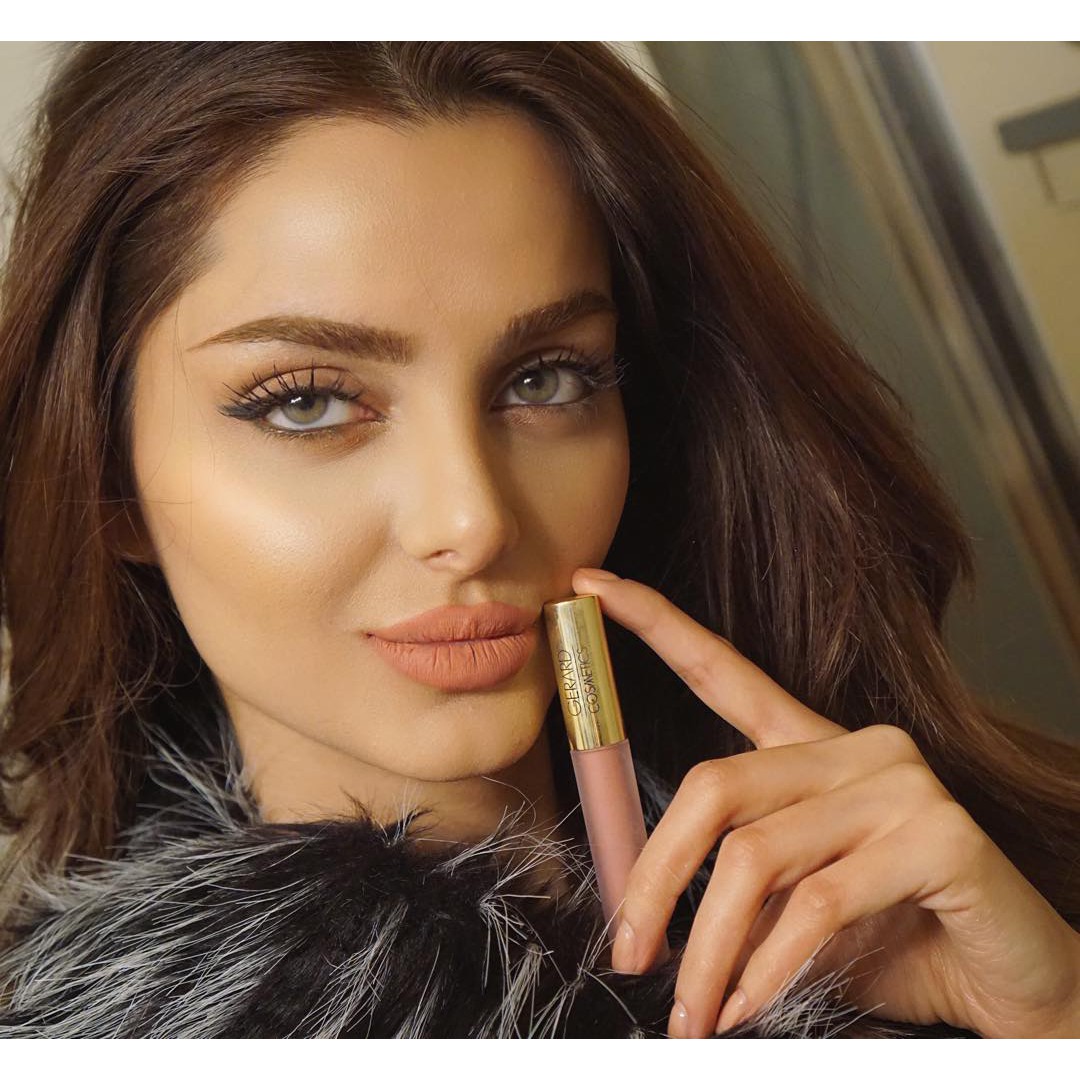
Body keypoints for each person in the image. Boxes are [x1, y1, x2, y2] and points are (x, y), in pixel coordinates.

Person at [0, 41, 1077, 1040]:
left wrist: (1051, 1015)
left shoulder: (930, 874)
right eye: (307, 402)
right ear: (106, 479)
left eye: (546, 380)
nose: (472, 519)